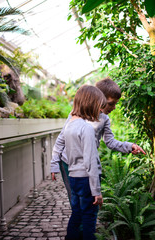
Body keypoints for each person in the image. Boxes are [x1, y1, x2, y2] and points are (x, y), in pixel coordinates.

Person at [51, 78, 146, 201]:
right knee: (75, 201)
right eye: (111, 103)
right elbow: (60, 140)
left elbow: (110, 142)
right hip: (68, 163)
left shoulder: (104, 119)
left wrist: (129, 146)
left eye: (116, 103)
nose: (114, 107)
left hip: (88, 166)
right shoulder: (76, 114)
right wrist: (54, 164)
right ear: (98, 98)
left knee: (89, 200)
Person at [64, 85, 106, 240]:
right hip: (87, 180)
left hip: (73, 178)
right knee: (89, 218)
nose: (100, 111)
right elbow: (91, 162)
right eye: (99, 106)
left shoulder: (69, 126)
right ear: (90, 104)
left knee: (77, 214)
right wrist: (97, 191)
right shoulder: (86, 128)